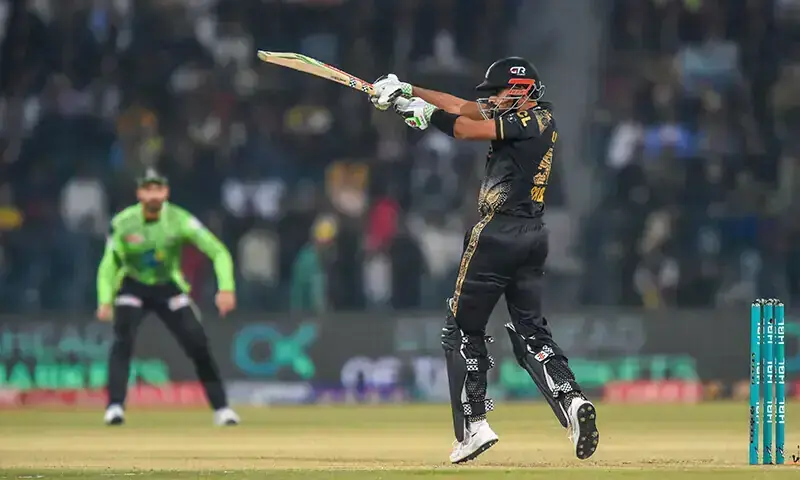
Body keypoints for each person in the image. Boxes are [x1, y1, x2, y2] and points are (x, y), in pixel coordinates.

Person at [370, 58, 599, 463]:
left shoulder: (533, 119)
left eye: (499, 91)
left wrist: (425, 118)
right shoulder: (524, 115)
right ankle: (572, 401)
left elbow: (462, 127)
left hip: (497, 234)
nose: (492, 98)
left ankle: (474, 426)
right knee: (530, 330)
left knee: (460, 329)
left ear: (521, 90)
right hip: (532, 235)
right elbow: (462, 106)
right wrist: (409, 90)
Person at [96, 168, 240, 426]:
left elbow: (218, 251)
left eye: (158, 189)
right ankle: (115, 407)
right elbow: (109, 265)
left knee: (198, 343)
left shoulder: (180, 220)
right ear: (139, 193)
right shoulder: (123, 222)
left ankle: (222, 409)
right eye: (148, 189)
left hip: (167, 285)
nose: (153, 195)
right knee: (123, 340)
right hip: (133, 284)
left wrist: (226, 288)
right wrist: (105, 299)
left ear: (166, 192)